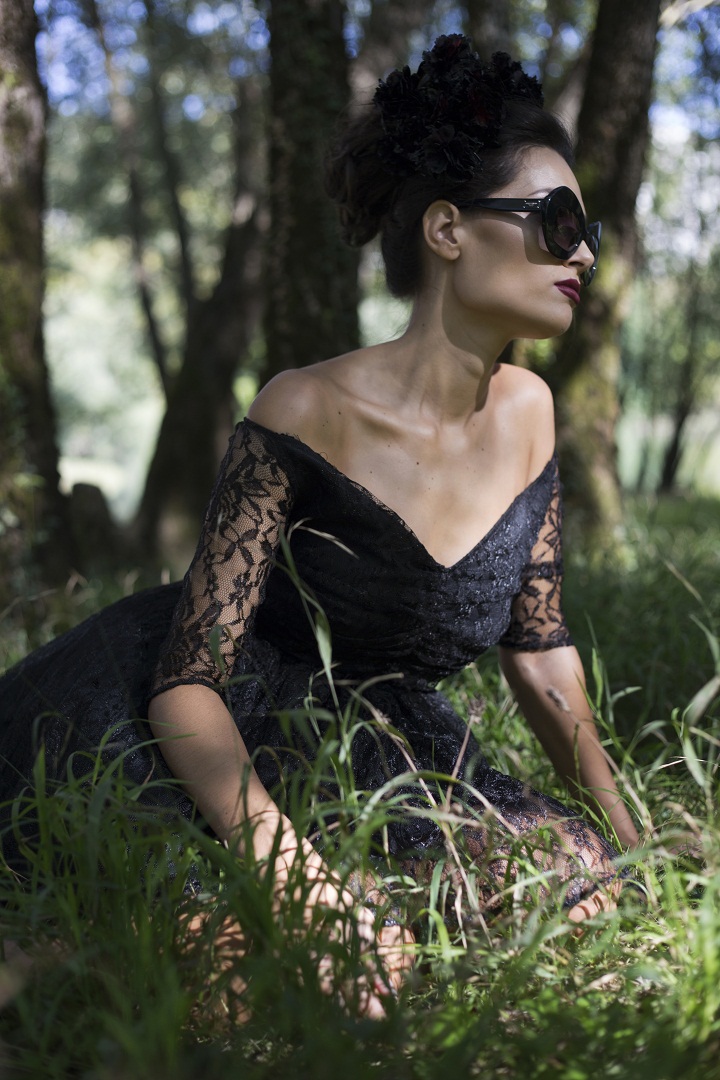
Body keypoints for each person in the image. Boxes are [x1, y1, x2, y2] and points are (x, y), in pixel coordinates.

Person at [0, 35, 640, 1017]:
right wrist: (296, 881)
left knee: (582, 885)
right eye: (557, 222)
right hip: (188, 726)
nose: (584, 253)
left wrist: (629, 834)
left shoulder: (532, 412)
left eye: (585, 228)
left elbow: (541, 652)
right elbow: (186, 682)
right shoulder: (307, 408)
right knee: (283, 975)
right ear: (448, 228)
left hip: (384, 746)